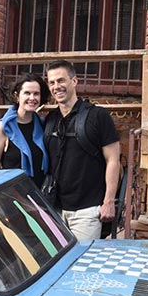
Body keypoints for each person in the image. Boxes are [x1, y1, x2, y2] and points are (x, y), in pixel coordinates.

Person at [44, 61, 121, 241]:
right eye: (52, 82)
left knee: (81, 265)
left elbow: (113, 160)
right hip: (55, 209)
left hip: (87, 211)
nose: (56, 87)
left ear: (74, 81)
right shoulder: (50, 119)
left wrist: (109, 201)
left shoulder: (98, 116)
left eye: (61, 80)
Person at [0, 74, 49, 188]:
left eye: (36, 94)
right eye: (27, 93)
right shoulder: (3, 128)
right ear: (17, 96)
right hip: (13, 197)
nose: (32, 98)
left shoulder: (43, 125)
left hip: (39, 196)